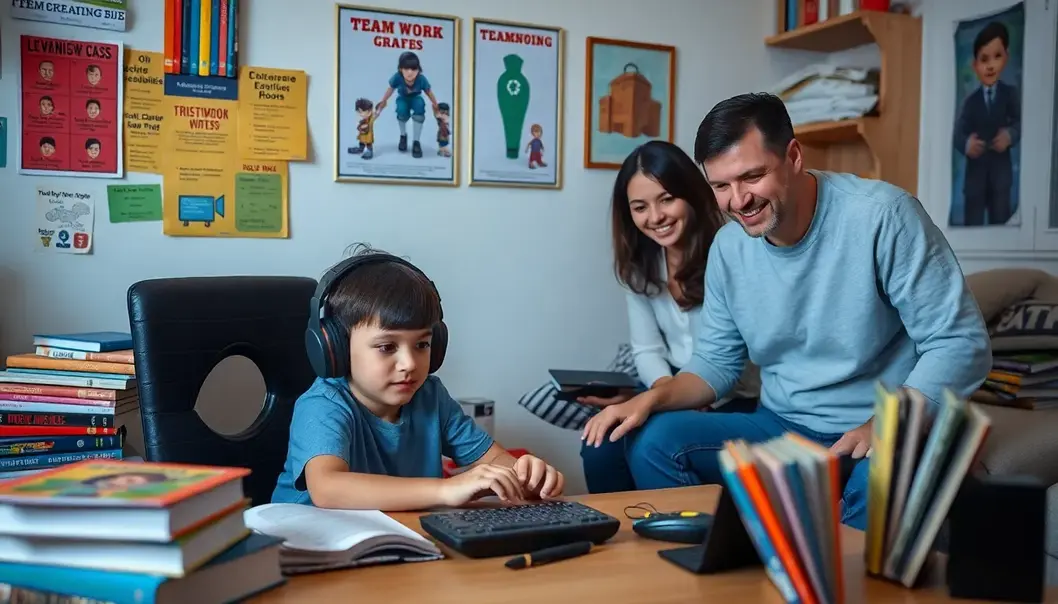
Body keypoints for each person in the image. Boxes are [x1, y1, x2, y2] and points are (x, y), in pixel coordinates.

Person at [582, 93, 991, 530]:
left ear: (793, 156)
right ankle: (708, 577)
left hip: (880, 429)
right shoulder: (729, 248)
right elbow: (716, 365)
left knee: (873, 497)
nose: (738, 201)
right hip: (781, 426)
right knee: (654, 441)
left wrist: (886, 424)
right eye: (721, 186)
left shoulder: (883, 217)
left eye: (752, 176)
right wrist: (650, 399)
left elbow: (960, 342)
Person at [519, 140, 760, 494]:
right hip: (672, 383)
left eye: (666, 199)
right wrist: (662, 390)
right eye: (640, 207)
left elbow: (731, 361)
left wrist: (675, 399)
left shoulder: (729, 252)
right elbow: (646, 350)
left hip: (733, 394)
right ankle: (622, 537)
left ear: (692, 194)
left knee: (648, 439)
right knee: (600, 443)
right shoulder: (641, 266)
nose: (656, 217)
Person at [273, 245, 565, 511]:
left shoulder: (430, 397)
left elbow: (493, 460)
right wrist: (447, 489)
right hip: (311, 549)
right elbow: (329, 489)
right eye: (387, 347)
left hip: (402, 541)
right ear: (334, 348)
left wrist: (525, 475)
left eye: (422, 344)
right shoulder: (323, 404)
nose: (410, 363)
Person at [953, 20, 1020, 226]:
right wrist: (967, 144)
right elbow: (958, 133)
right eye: (984, 59)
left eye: (997, 56)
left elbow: (1021, 122)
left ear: (1006, 57)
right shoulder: (971, 101)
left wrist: (1010, 135)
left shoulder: (1010, 95)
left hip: (1000, 178)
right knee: (972, 224)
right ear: (975, 65)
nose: (990, 65)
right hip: (975, 180)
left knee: (1000, 222)